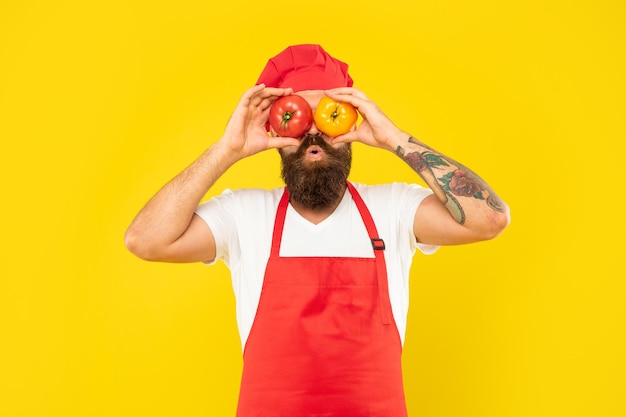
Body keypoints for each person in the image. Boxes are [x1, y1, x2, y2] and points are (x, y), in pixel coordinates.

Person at [125, 44, 510, 417]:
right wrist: (227, 149)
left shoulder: (392, 209)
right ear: (274, 129)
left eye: (327, 114)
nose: (312, 133)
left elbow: (489, 219)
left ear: (350, 119)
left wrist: (394, 139)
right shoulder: (244, 214)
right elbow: (145, 240)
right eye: (296, 117)